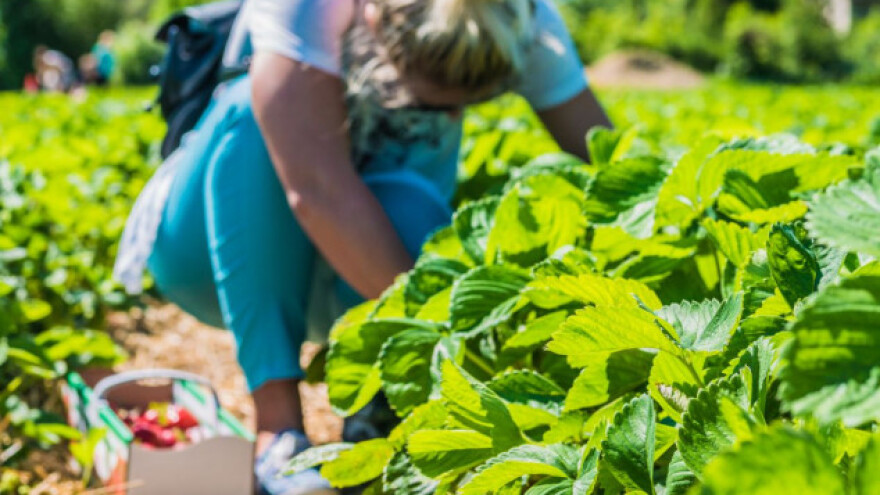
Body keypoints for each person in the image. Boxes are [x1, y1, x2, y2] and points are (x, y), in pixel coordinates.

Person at [114, 0, 611, 492]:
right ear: (375, 20)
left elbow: (607, 159)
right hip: (209, 254)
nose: (445, 114)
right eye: (420, 96)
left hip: (347, 281)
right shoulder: (308, 7)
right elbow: (316, 191)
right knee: (251, 110)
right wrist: (453, 343)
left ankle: (376, 421)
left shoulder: (520, 20)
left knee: (411, 201)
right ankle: (278, 430)